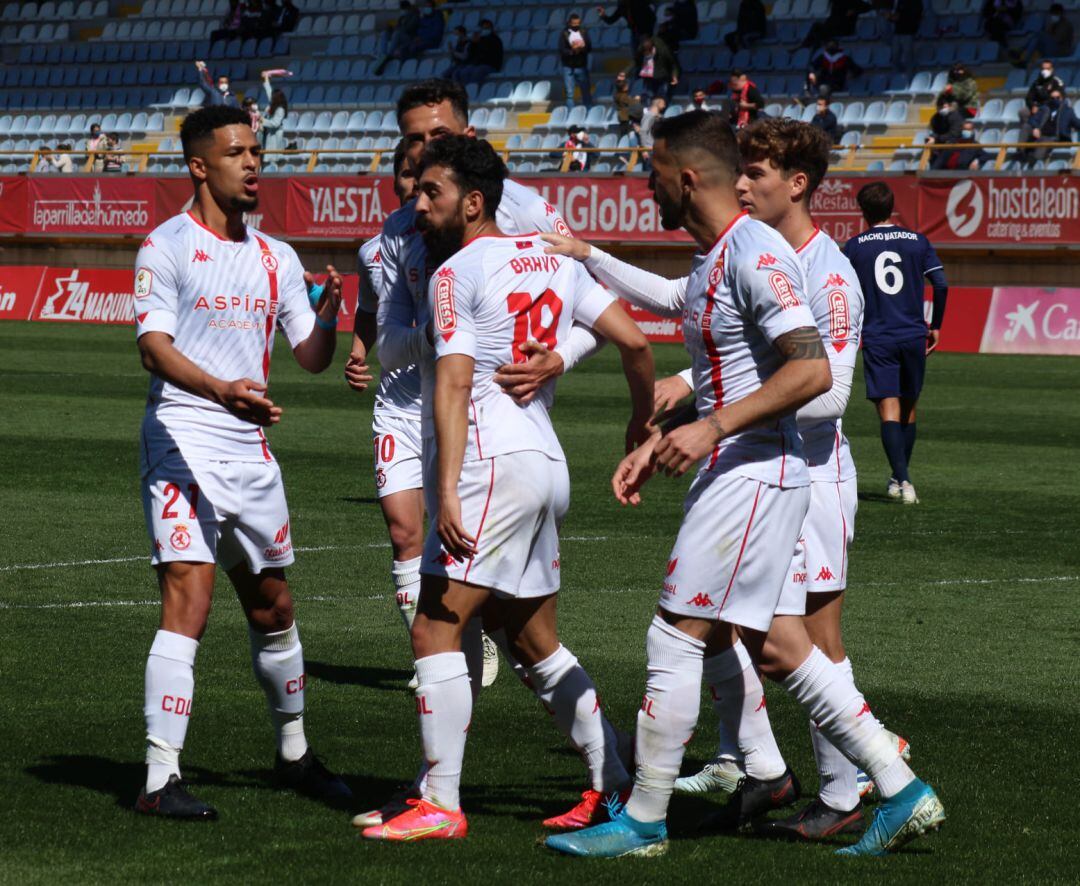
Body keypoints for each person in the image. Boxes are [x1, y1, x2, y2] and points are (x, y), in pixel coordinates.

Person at [542, 110, 944, 859]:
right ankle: (897, 785)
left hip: (761, 468)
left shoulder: (757, 254)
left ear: (686, 178)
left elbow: (815, 372)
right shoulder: (724, 254)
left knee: (676, 630)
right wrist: (667, 434)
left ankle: (646, 819)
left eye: (653, 169)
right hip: (751, 464)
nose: (644, 182)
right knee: (777, 645)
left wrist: (709, 425)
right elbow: (728, 353)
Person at [350, 80, 634, 834]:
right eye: (412, 141)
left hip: (487, 456)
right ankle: (616, 778)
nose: (420, 161)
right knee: (530, 636)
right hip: (543, 455)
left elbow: (454, 376)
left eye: (434, 144)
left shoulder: (495, 237)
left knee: (435, 625)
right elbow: (632, 333)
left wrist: (446, 485)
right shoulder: (428, 235)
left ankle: (439, 802)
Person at [651, 120, 897, 842]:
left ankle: (849, 785)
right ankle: (762, 763)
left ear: (797, 184)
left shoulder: (828, 272)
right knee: (744, 626)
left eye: (758, 172)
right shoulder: (758, 255)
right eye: (742, 169)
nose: (745, 183)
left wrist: (706, 401)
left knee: (810, 638)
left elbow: (824, 393)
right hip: (767, 459)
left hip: (813, 472)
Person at [131, 105, 351, 820]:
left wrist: (331, 313)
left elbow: (312, 360)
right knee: (188, 597)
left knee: (273, 604)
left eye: (257, 151)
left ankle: (293, 754)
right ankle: (160, 778)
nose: (253, 163)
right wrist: (222, 391)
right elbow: (153, 348)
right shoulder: (164, 246)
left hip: (248, 448)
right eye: (236, 153)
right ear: (200, 165)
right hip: (181, 437)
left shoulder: (275, 256)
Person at [843, 182, 947, 504]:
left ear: (863, 211)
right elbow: (940, 284)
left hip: (878, 336)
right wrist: (936, 326)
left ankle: (902, 479)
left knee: (888, 408)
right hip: (914, 334)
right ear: (892, 207)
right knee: (909, 407)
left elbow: (844, 290)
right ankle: (899, 478)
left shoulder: (854, 247)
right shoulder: (918, 241)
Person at [1025, 87, 1080, 166]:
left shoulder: (1068, 111)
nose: (1055, 100)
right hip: (1042, 136)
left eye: (1057, 97)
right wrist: (1035, 127)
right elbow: (1032, 119)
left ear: (1062, 98)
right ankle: (1021, 151)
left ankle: (1033, 163)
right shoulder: (1045, 109)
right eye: (1052, 98)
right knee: (1027, 127)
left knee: (1045, 140)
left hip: (1059, 138)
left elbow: (1077, 123)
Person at [560, 13, 593, 109]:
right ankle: (571, 114)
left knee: (585, 91)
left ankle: (588, 111)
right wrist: (572, 51)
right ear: (570, 23)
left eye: (578, 24)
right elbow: (562, 50)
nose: (576, 26)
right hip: (568, 66)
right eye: (574, 24)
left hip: (581, 65)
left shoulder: (583, 32)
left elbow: (589, 47)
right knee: (570, 93)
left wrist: (582, 47)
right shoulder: (564, 33)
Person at [633, 34, 679, 104]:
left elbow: (673, 64)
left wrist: (674, 75)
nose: (647, 56)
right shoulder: (641, 50)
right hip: (649, 77)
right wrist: (625, 71)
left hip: (662, 76)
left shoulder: (663, 51)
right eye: (645, 55)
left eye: (648, 54)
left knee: (661, 98)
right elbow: (636, 61)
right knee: (648, 96)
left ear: (652, 49)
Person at [887, 0, 922, 80]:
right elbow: (896, 16)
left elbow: (916, 15)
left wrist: (899, 17)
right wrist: (890, 17)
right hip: (898, 32)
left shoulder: (915, 2)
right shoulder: (899, 2)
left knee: (908, 57)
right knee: (895, 57)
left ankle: (909, 79)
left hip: (908, 32)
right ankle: (897, 78)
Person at [927, 95, 964, 168]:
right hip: (939, 142)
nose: (942, 109)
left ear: (949, 106)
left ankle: (934, 170)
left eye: (944, 107)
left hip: (953, 143)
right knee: (928, 142)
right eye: (940, 107)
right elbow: (933, 131)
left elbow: (954, 134)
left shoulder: (956, 117)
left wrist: (936, 138)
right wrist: (932, 138)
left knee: (947, 147)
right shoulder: (935, 118)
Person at [260, 72, 288, 154]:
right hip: (268, 133)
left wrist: (262, 120)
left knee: (273, 156)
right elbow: (268, 90)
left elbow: (275, 123)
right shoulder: (272, 104)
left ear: (276, 98)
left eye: (272, 97)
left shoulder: (280, 110)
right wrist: (266, 78)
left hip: (275, 136)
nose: (270, 97)